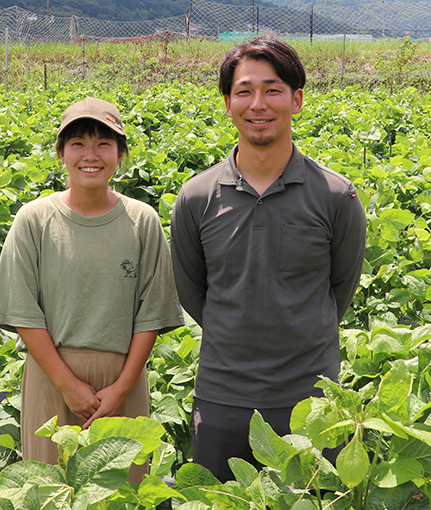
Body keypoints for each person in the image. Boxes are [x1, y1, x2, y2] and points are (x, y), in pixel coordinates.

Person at [170, 37, 366, 482]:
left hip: (309, 398)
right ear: (227, 102)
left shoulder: (336, 195)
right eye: (244, 91)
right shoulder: (197, 196)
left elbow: (342, 287)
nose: (258, 104)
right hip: (222, 395)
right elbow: (192, 290)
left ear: (296, 100)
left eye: (273, 89)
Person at [0, 96, 184, 483]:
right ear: (61, 152)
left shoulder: (142, 221)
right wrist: (68, 385)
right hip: (51, 378)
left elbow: (153, 313)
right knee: (53, 492)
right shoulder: (35, 220)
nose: (90, 155)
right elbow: (23, 310)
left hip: (123, 380)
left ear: (120, 154)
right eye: (77, 144)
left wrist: (122, 388)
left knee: (122, 493)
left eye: (103, 144)